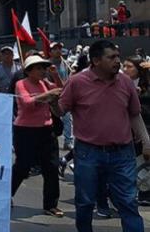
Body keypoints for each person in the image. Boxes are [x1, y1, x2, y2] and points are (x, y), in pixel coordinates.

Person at [58, 40, 150, 232]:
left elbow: (134, 114)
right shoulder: (76, 82)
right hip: (87, 153)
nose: (118, 61)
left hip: (122, 153)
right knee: (85, 203)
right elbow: (60, 110)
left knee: (127, 202)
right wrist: (50, 103)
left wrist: (146, 140)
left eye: (118, 56)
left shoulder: (125, 82)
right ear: (96, 60)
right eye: (112, 57)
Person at [10, 56, 64, 217]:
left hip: (46, 130)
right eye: (38, 68)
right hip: (25, 131)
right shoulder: (21, 84)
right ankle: (5, 195)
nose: (42, 71)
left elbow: (61, 90)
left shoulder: (45, 83)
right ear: (29, 71)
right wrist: (47, 95)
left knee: (51, 167)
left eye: (43, 68)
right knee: (22, 167)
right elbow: (27, 104)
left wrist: (55, 76)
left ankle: (51, 204)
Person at [124, 55, 150, 206]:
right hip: (132, 132)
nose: (125, 69)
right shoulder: (121, 83)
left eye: (129, 66)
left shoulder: (144, 87)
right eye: (124, 66)